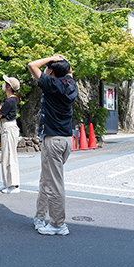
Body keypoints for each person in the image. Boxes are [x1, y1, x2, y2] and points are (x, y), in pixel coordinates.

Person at [28, 54, 78, 235]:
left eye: (49, 68)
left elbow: (32, 65)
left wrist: (51, 57)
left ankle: (58, 224)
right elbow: (68, 72)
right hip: (65, 140)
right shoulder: (71, 85)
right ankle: (40, 216)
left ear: (51, 72)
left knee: (55, 183)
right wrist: (62, 63)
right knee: (46, 180)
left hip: (53, 140)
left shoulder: (52, 84)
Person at [0, 75, 21, 194]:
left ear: (9, 87)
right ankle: (6, 182)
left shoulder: (10, 100)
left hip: (9, 127)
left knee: (10, 156)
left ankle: (13, 185)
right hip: (6, 127)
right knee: (5, 156)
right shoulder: (10, 99)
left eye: (5, 83)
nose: (3, 85)